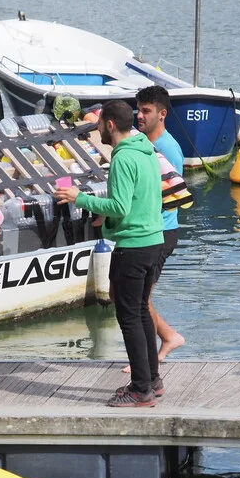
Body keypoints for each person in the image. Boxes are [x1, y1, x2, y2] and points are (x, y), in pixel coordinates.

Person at [54, 100, 164, 407]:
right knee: (140, 312)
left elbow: (120, 206)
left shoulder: (123, 158)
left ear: (110, 125)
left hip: (133, 246)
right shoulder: (146, 150)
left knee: (129, 317)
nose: (98, 129)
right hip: (153, 240)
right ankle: (152, 380)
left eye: (100, 124)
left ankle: (141, 390)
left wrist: (80, 198)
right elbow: (138, 199)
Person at [116, 85, 186, 375]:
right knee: (133, 297)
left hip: (161, 231)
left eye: (146, 111)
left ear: (162, 114)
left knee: (138, 301)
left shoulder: (168, 149)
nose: (140, 116)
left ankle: (151, 358)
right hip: (148, 230)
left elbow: (171, 196)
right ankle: (166, 339)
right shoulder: (142, 143)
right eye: (138, 110)